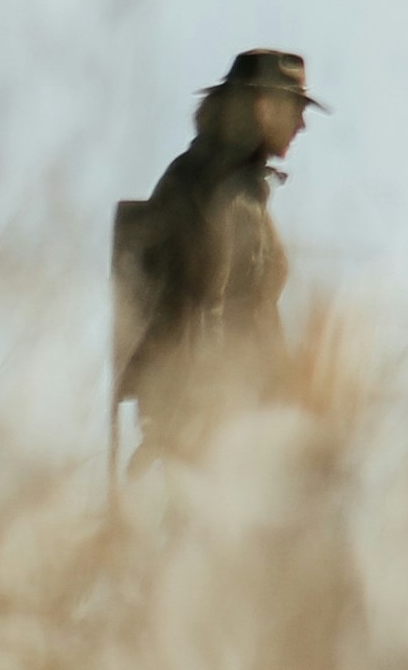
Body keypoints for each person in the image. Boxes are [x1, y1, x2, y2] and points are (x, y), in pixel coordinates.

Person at [112, 47, 317, 456]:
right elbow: (202, 308)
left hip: (236, 414)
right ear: (262, 106)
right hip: (209, 417)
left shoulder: (241, 188)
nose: (302, 124)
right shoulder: (211, 184)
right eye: (294, 108)